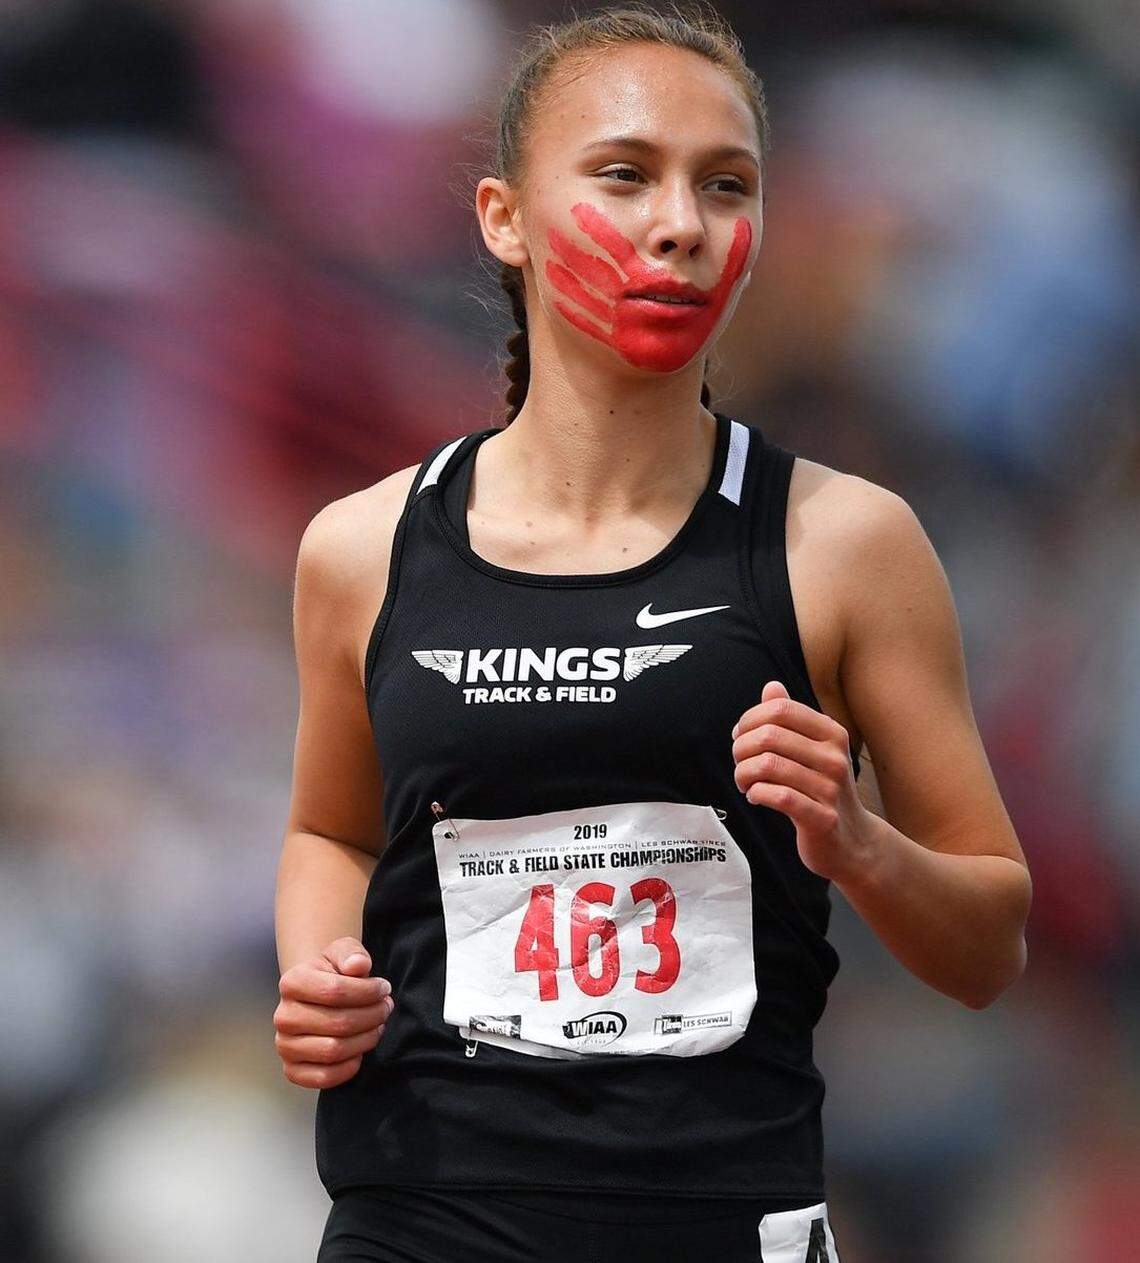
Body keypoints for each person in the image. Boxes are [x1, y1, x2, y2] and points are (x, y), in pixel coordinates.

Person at [272, 6, 1032, 1261]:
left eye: (725, 184)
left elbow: (990, 945)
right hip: (421, 1219)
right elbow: (330, 827)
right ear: (503, 216)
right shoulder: (362, 548)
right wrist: (319, 972)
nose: (681, 222)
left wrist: (857, 843)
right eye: (624, 174)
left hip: (717, 1221)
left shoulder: (842, 542)